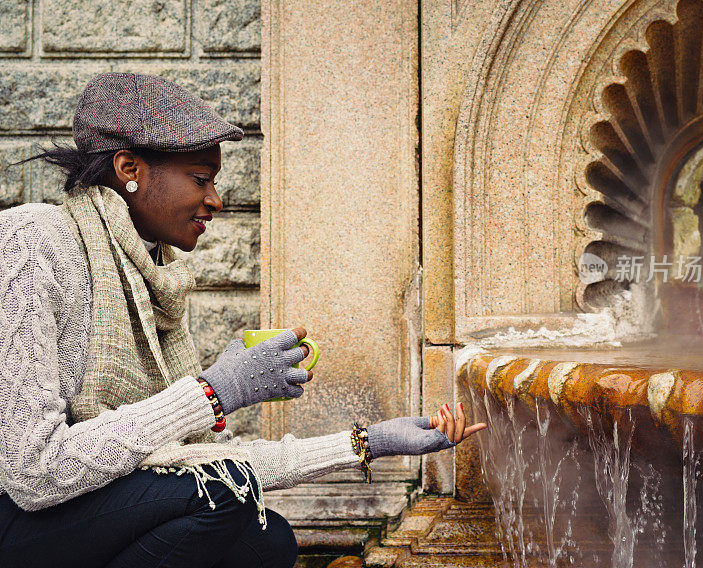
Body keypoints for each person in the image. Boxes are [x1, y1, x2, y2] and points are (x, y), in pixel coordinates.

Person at [0, 73, 487, 568]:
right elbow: (33, 471)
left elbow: (210, 460)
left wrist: (371, 442)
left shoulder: (152, 276)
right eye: (200, 178)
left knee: (267, 540)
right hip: (17, 517)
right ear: (130, 167)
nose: (215, 199)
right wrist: (213, 393)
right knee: (220, 495)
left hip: (77, 514)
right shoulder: (33, 241)